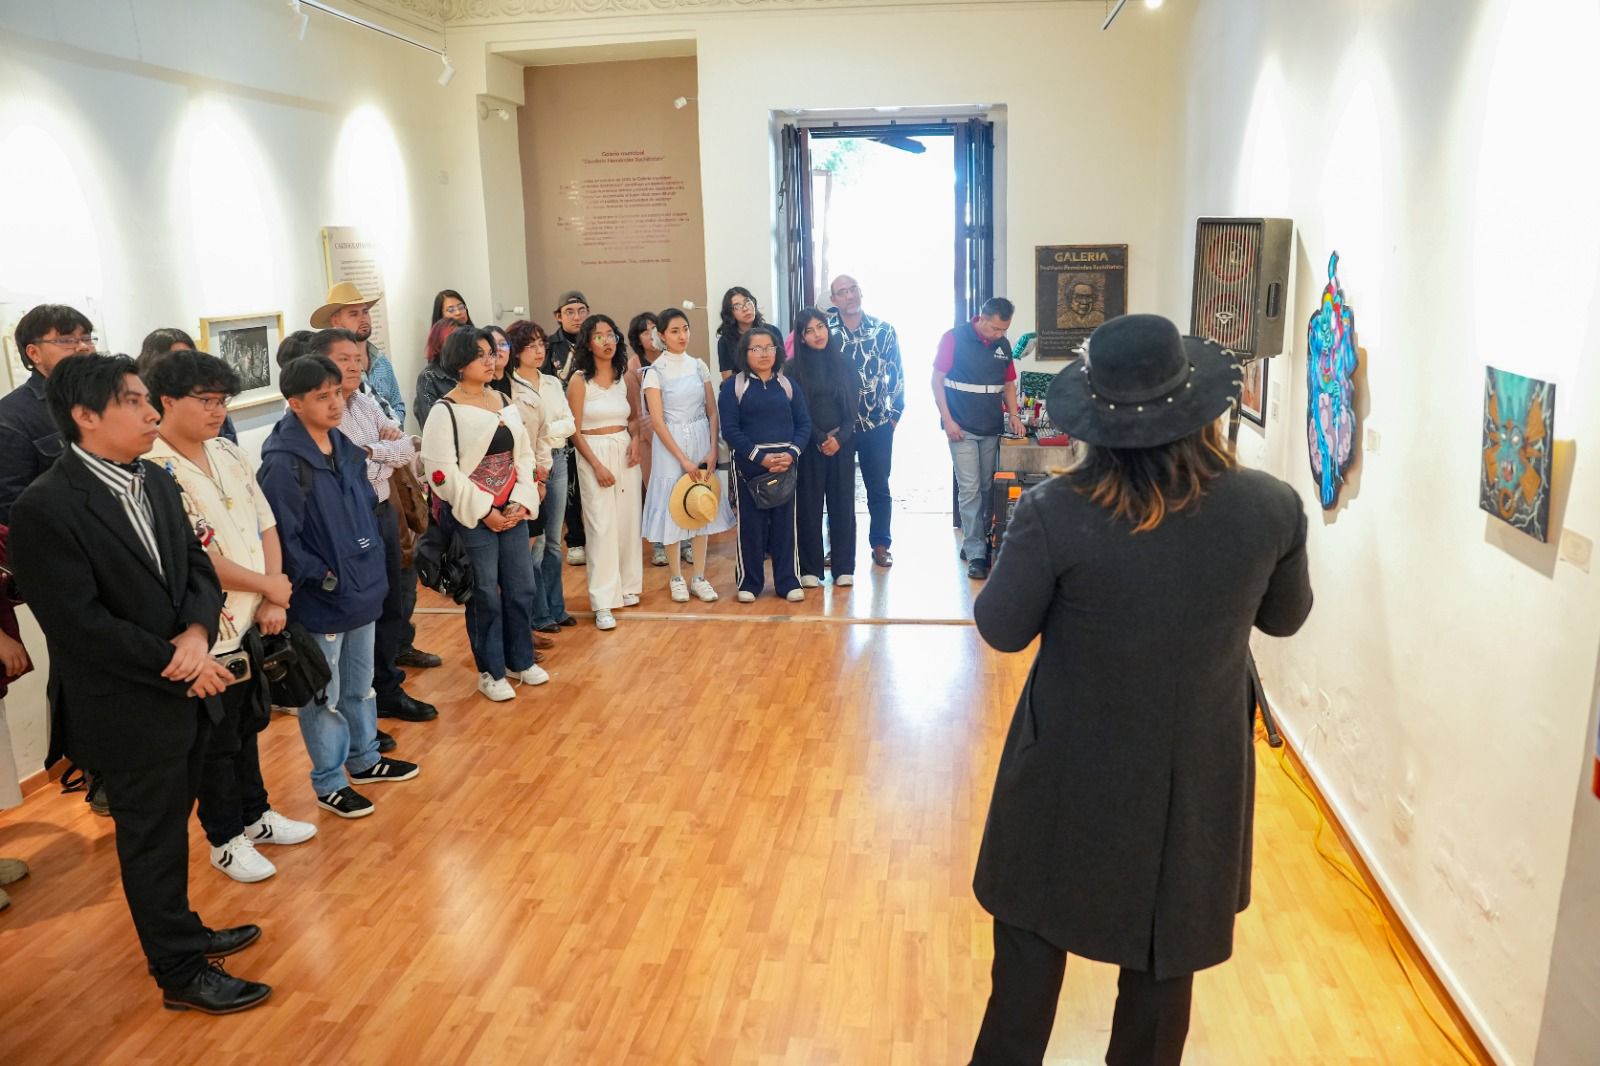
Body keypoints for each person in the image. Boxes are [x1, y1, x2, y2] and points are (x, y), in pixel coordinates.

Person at [967, 314, 1314, 1066]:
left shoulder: (1055, 511)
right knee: (1160, 992)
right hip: (1190, 784)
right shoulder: (1271, 508)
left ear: (1097, 421)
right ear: (1199, 407)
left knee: (1023, 988)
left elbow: (1001, 628)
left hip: (1065, 774)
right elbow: (1285, 619)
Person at [11, 353, 271, 1013]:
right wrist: (181, 661)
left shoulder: (153, 478)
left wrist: (196, 634)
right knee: (150, 841)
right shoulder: (45, 507)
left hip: (185, 684)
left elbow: (196, 566)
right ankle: (180, 973)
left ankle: (182, 932)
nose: (151, 412)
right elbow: (79, 623)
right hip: (127, 705)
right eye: (133, 401)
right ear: (85, 415)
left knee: (172, 828)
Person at [145, 351, 318, 883]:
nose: (217, 410)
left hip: (254, 616)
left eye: (222, 400)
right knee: (214, 743)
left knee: (248, 725)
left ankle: (256, 814)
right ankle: (225, 839)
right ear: (167, 400)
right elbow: (193, 556)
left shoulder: (227, 450)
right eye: (205, 400)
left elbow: (266, 524)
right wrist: (267, 585)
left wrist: (273, 595)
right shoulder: (153, 467)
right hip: (206, 625)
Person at [256, 355, 420, 819]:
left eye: (336, 394)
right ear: (295, 403)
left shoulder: (343, 447)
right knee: (323, 696)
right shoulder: (284, 464)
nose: (334, 404)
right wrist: (324, 577)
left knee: (360, 686)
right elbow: (282, 538)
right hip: (322, 598)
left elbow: (365, 504)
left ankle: (365, 759)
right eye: (321, 397)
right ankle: (330, 782)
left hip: (361, 588)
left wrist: (366, 568)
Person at [306, 329, 438, 726]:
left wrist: (371, 452)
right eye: (343, 358)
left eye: (356, 356)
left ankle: (387, 689)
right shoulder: (322, 414)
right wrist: (381, 453)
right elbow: (348, 467)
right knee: (361, 613)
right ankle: (362, 704)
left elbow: (404, 450)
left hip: (382, 511)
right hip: (350, 520)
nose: (354, 364)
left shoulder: (363, 402)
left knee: (391, 602)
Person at [420, 329, 549, 699]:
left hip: (512, 511)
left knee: (522, 588)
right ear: (460, 362)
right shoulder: (444, 410)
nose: (491, 361)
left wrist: (522, 498)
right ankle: (490, 671)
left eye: (492, 353)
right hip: (473, 517)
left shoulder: (502, 399)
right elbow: (441, 473)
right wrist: (484, 510)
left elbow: (523, 454)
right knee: (485, 595)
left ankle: (520, 660)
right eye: (481, 355)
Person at [640, 307, 731, 603]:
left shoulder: (698, 366)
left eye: (685, 329)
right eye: (675, 331)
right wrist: (682, 458)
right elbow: (657, 421)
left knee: (701, 503)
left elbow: (712, 410)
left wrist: (712, 448)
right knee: (673, 505)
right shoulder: (654, 372)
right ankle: (676, 576)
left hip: (701, 437)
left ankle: (699, 576)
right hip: (671, 445)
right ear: (662, 335)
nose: (682, 336)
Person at [932, 296, 1025, 580]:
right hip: (961, 427)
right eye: (995, 328)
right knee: (970, 489)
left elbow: (1008, 384)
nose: (999, 334)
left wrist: (1014, 415)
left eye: (1004, 330)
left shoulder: (1003, 346)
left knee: (986, 488)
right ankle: (976, 554)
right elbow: (937, 381)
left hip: (990, 427)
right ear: (981, 318)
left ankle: (979, 539)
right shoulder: (953, 338)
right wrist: (948, 420)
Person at [719, 326, 810, 603]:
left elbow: (804, 424)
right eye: (756, 348)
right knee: (751, 527)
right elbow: (730, 430)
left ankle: (788, 581)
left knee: (785, 526)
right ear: (745, 353)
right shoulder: (733, 386)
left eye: (769, 347)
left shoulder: (788, 385)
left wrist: (791, 454)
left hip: (785, 465)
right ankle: (750, 582)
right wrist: (760, 457)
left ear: (777, 351)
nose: (764, 353)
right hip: (749, 467)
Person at [567, 314, 644, 630]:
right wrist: (596, 464)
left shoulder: (624, 376)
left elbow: (635, 418)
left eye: (611, 334)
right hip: (593, 452)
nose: (607, 340)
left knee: (627, 520)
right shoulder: (579, 380)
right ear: (588, 343)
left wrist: (636, 441)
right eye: (599, 336)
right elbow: (573, 429)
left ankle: (627, 585)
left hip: (624, 450)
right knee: (601, 525)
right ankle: (602, 600)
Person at [506, 321, 578, 634]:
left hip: (557, 460)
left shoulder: (551, 383)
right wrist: (544, 433)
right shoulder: (510, 386)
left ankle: (556, 608)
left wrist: (545, 432)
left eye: (541, 344)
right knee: (536, 544)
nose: (538, 351)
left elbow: (569, 423)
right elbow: (523, 432)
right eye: (531, 346)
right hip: (528, 466)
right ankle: (539, 613)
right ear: (516, 351)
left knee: (554, 542)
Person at [826, 276, 903, 568]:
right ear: (834, 300)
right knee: (839, 491)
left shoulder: (884, 330)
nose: (849, 296)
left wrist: (894, 416)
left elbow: (896, 374)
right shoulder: (825, 333)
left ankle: (881, 544)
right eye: (842, 292)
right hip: (838, 428)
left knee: (878, 487)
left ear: (860, 292)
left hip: (877, 425)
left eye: (853, 289)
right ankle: (838, 548)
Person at [0, 303, 96, 523]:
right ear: (34, 353)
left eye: (87, 338)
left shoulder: (107, 399)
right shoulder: (11, 417)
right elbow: (12, 506)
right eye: (67, 340)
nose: (83, 347)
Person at [789, 307, 861, 588]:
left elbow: (852, 409)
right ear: (801, 337)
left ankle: (844, 567)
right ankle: (810, 568)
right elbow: (798, 412)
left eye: (821, 327)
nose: (817, 334)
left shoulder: (845, 363)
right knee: (809, 507)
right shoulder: (792, 368)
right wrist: (819, 438)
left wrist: (839, 438)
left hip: (842, 443)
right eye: (809, 330)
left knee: (842, 505)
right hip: (809, 445)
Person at [311, 282, 406, 427]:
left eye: (365, 312)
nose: (363, 319)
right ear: (336, 321)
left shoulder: (382, 361)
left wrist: (391, 430)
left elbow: (397, 404)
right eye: (354, 314)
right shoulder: (331, 367)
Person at [547, 291, 589, 565]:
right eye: (570, 312)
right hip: (564, 425)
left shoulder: (595, 340)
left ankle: (598, 536)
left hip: (592, 421)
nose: (577, 317)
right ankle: (575, 539)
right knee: (570, 484)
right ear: (558, 316)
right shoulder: (550, 347)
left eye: (581, 310)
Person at [415, 319, 459, 430]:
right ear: (439, 343)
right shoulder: (428, 377)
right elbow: (430, 425)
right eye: (452, 339)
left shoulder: (469, 370)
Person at [715, 286, 766, 379]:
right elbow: (727, 379)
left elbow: (781, 370)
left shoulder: (772, 332)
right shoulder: (725, 341)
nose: (745, 308)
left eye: (748, 302)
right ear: (730, 313)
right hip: (741, 386)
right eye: (737, 306)